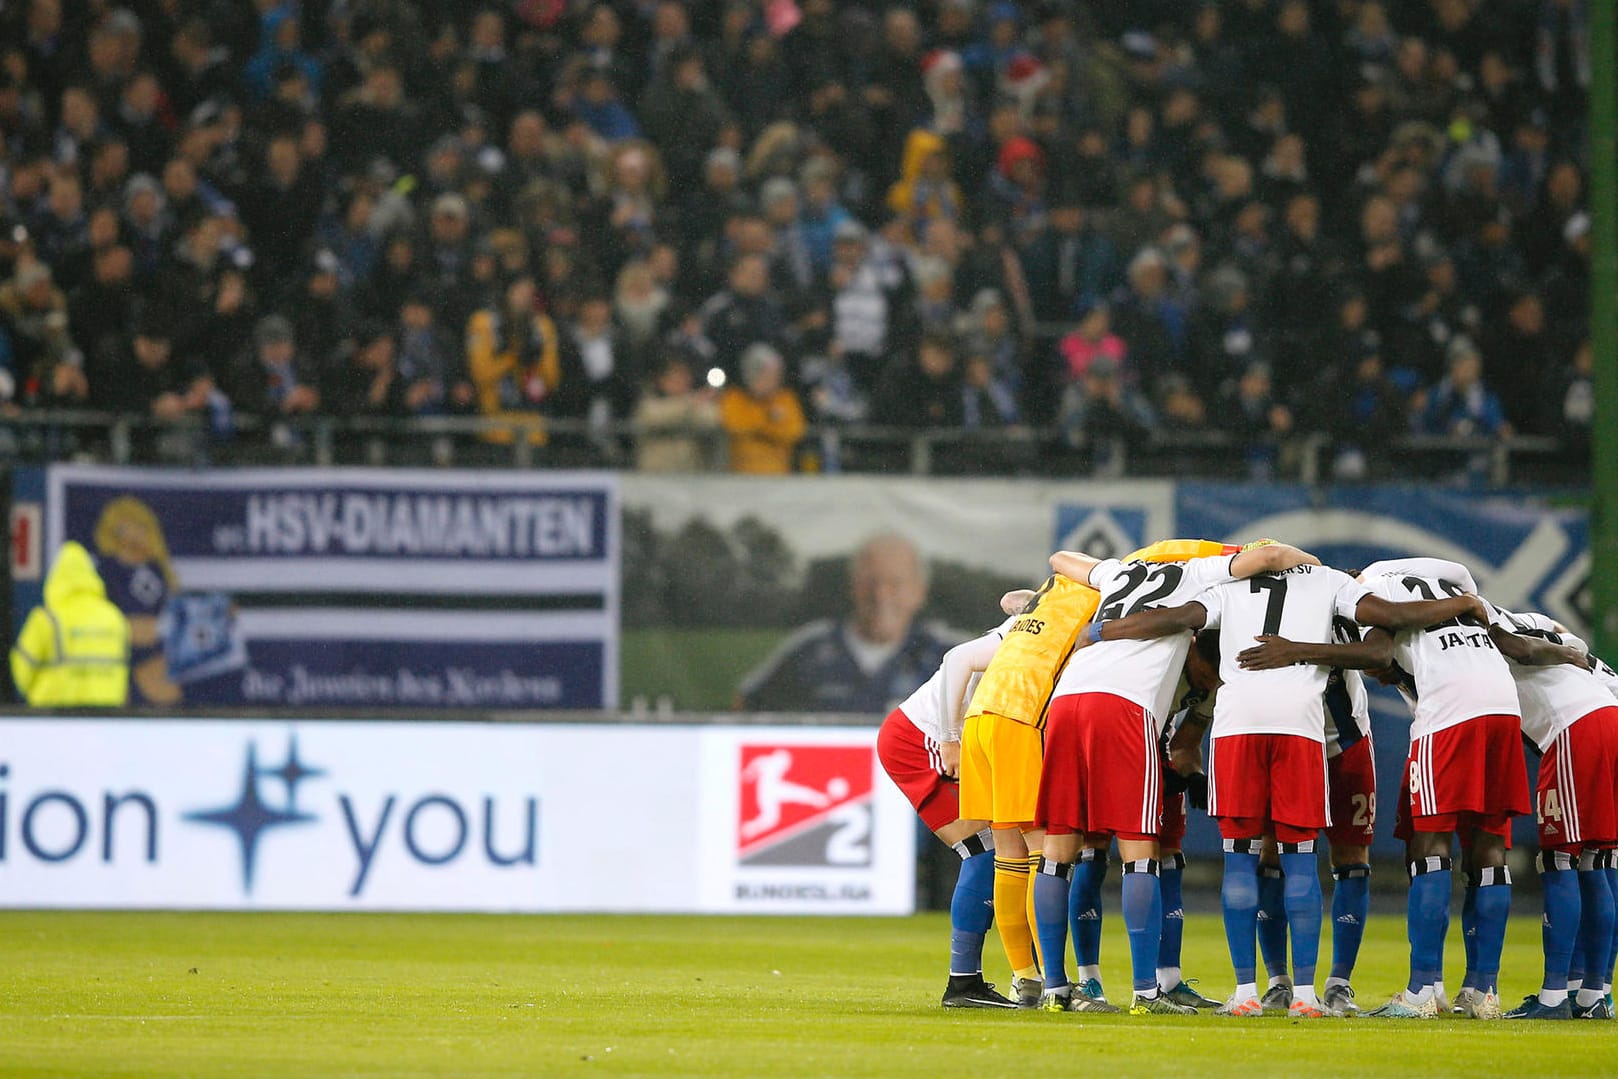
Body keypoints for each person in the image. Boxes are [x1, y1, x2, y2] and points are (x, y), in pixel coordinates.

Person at [1237, 566, 1537, 1019]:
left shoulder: (1368, 590)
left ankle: (1422, 990)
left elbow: (1376, 647)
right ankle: (1483, 990)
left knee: (1428, 842)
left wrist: (1292, 651)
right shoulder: (1456, 590)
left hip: (1447, 714)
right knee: (1490, 845)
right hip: (1503, 708)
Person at [1034, 540, 1318, 1016]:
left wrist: (1117, 570)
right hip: (1123, 706)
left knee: (1059, 846)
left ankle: (1054, 990)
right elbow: (1269, 558)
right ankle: (1148, 993)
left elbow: (1059, 558)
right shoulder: (1201, 573)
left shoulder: (1122, 573)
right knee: (1139, 846)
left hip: (1067, 699)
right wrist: (1314, 567)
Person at [877, 587, 1037, 1009]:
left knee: (1011, 851)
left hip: (959, 738)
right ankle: (965, 983)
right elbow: (956, 659)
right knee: (987, 851)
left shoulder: (1047, 619)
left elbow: (1009, 598)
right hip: (923, 736)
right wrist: (949, 739)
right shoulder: (1029, 631)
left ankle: (1023, 975)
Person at [736, 533, 956, 713]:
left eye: (895, 583)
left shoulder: (948, 657)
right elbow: (744, 706)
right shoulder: (809, 649)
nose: (880, 595)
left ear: (919, 592)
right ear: (853, 587)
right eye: (871, 582)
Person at [10, 541, 130, 707]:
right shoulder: (115, 618)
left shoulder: (47, 619)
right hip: (106, 719)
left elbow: (18, 673)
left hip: (52, 720)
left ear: (56, 577)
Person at [717, 343, 805, 474]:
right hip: (740, 478)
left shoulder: (785, 398)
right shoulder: (734, 397)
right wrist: (769, 419)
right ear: (751, 375)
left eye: (777, 376)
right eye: (768, 376)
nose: (775, 381)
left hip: (779, 478)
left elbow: (794, 431)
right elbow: (734, 424)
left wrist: (758, 428)